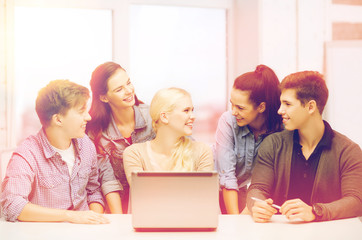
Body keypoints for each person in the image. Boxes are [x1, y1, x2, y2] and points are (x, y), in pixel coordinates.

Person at [247, 71, 362, 222]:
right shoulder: (272, 144)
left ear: (310, 107)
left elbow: (356, 201)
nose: (280, 110)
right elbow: (256, 189)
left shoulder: (348, 151)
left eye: (287, 104)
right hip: (277, 233)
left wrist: (316, 212)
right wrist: (257, 204)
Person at [0, 80, 109, 224]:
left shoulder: (86, 145)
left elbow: (93, 191)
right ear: (58, 119)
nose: (88, 117)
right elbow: (12, 205)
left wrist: (93, 220)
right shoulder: (27, 154)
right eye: (81, 111)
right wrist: (71, 216)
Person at [86, 62, 155, 213]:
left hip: (153, 201)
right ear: (104, 98)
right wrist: (119, 219)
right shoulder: (96, 132)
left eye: (128, 83)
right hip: (116, 206)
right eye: (119, 89)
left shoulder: (152, 117)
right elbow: (107, 178)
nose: (129, 91)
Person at [213, 65, 283, 214]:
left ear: (261, 107)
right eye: (231, 104)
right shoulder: (228, 121)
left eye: (240, 107)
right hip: (218, 191)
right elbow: (227, 176)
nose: (234, 112)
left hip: (251, 194)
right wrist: (235, 221)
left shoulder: (280, 130)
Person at [123, 87, 214, 186]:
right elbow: (143, 197)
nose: (193, 116)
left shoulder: (202, 152)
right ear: (164, 117)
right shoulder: (134, 154)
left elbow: (203, 197)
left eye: (192, 110)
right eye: (186, 111)